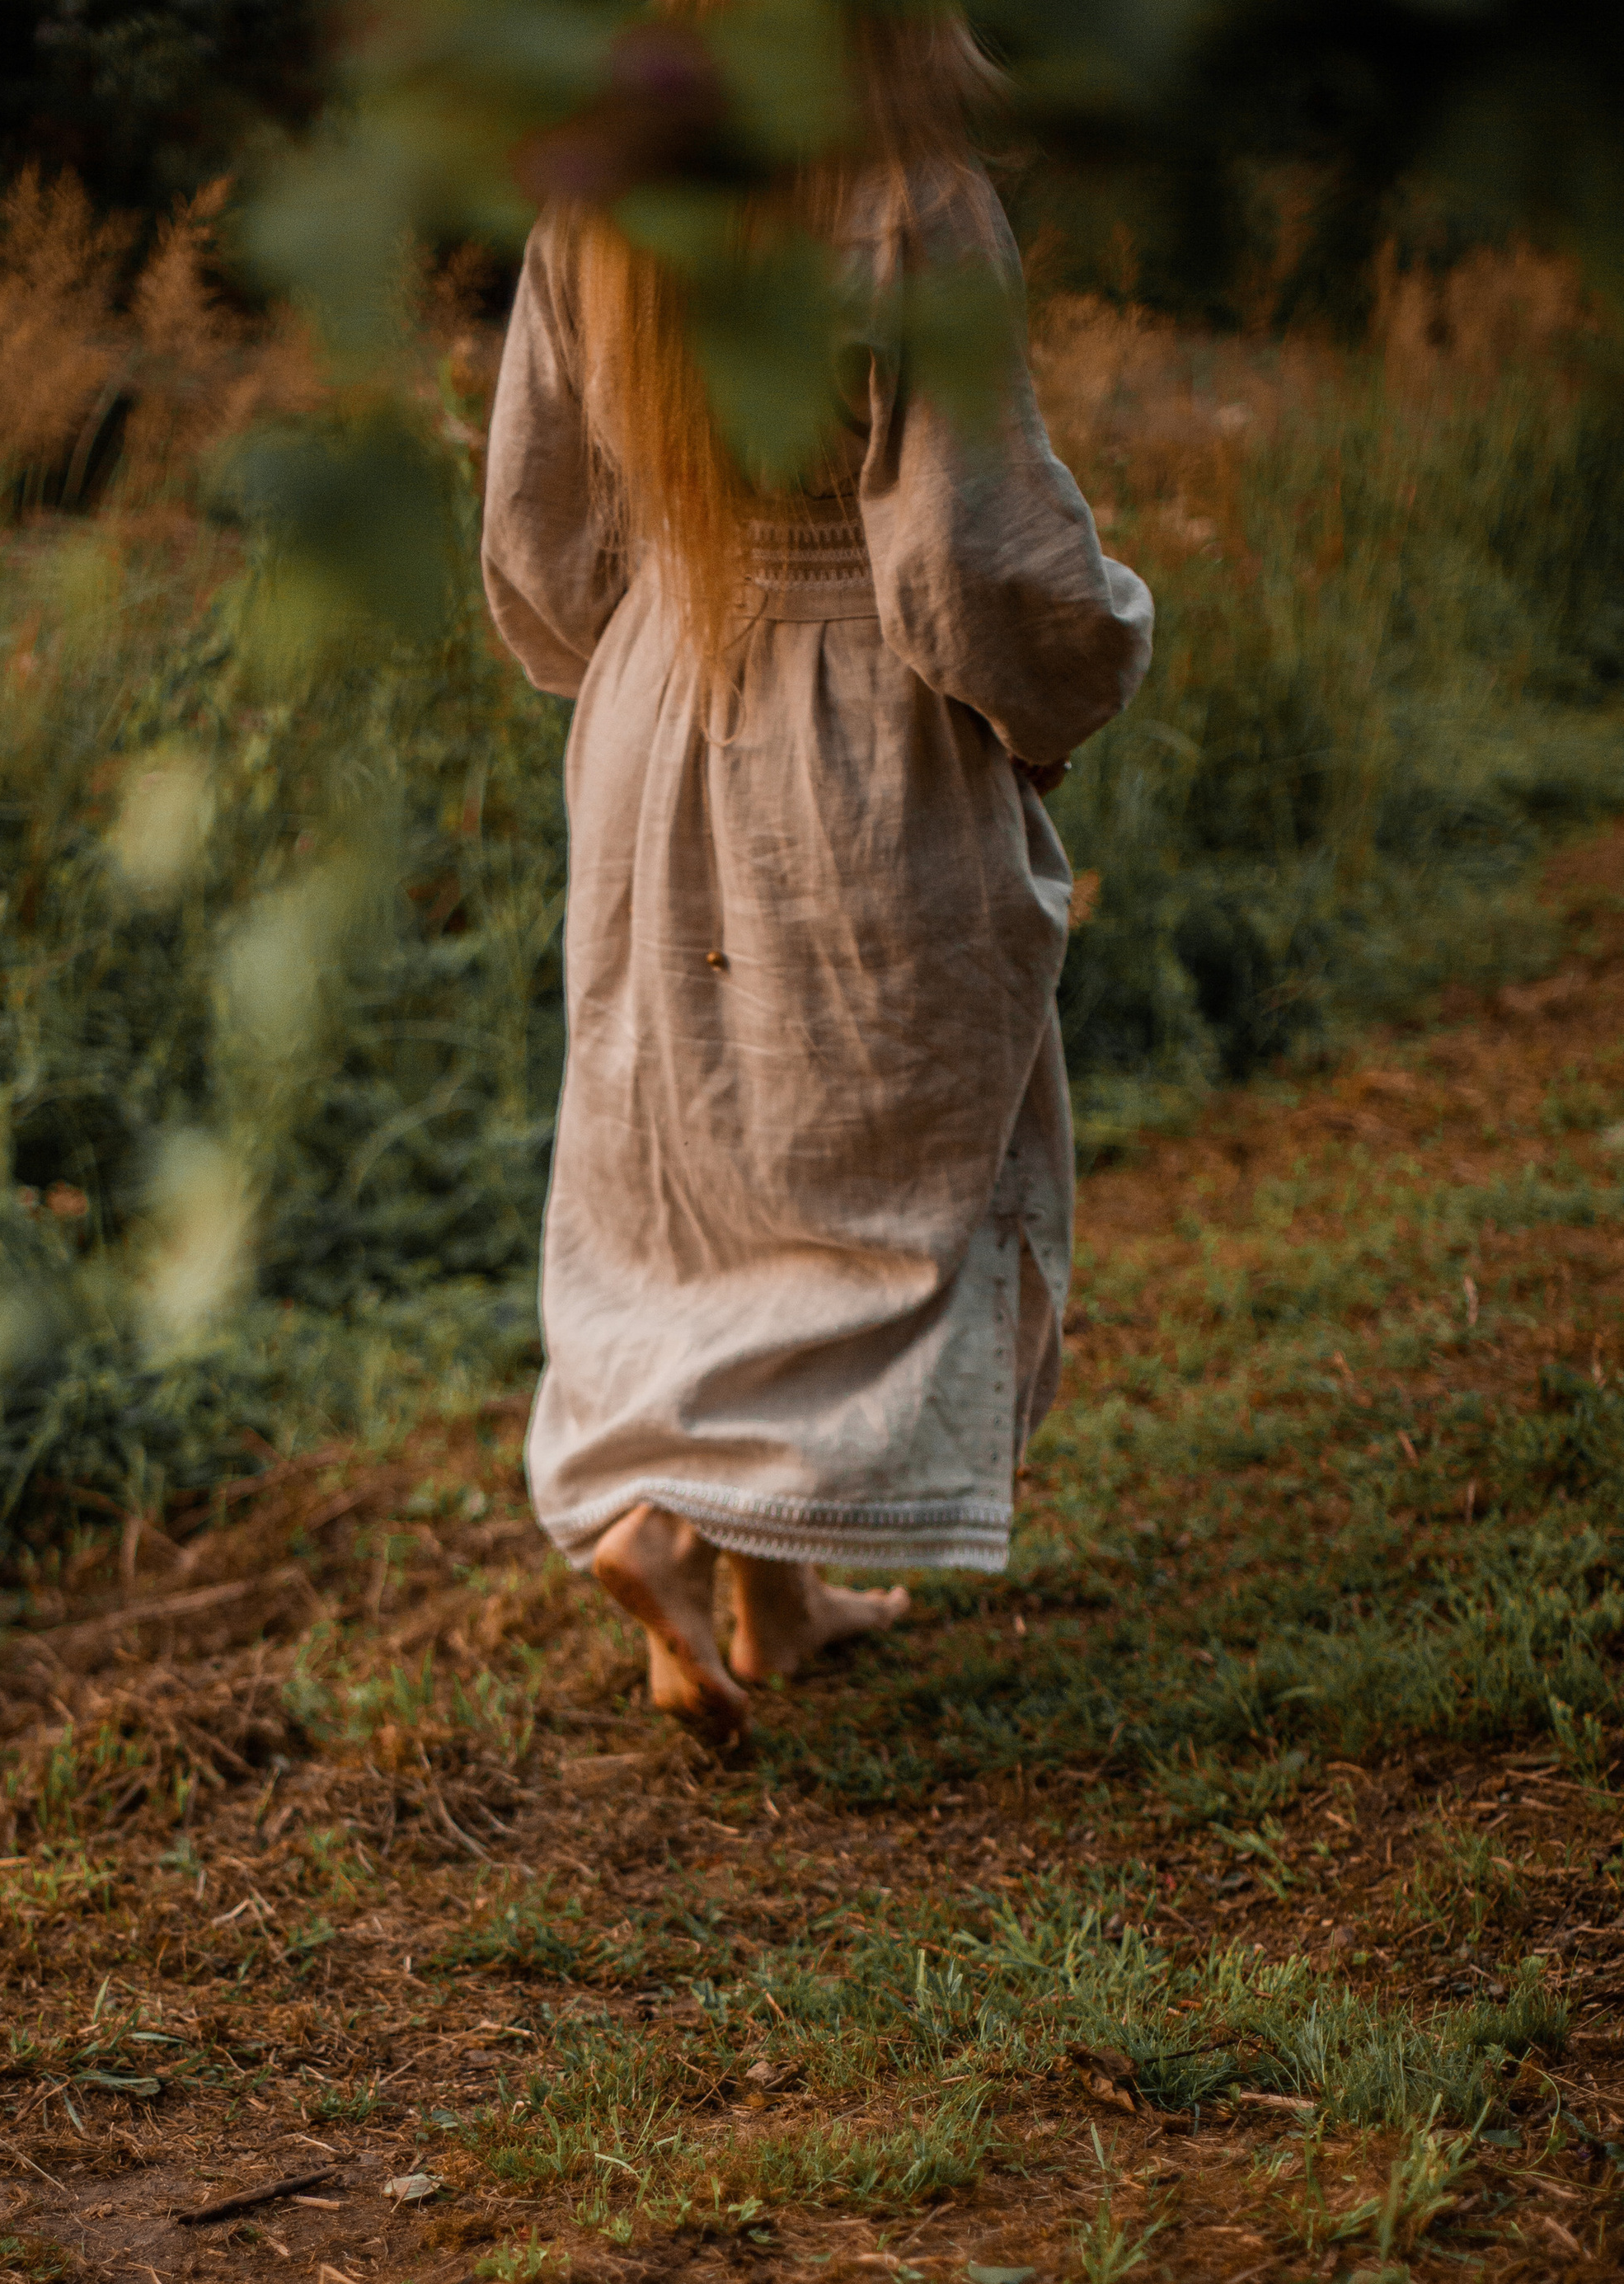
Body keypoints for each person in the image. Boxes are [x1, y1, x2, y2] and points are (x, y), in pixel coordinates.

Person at [480, 2, 1153, 1744]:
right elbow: (967, 545)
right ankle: (671, 1521)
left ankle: (769, 1602)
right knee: (878, 1163)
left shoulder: (597, 200)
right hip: (860, 716)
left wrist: (621, 683)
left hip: (661, 693)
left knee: (705, 1146)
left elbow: (536, 535)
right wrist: (1070, 675)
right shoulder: (909, 197)